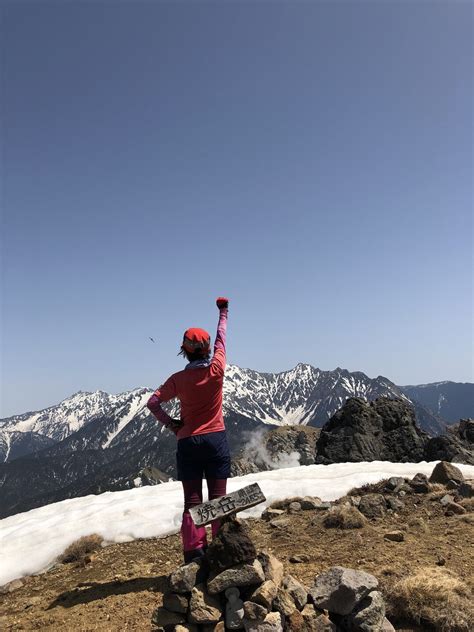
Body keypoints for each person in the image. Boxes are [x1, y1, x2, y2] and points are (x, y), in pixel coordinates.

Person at [147, 297, 230, 562]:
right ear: (206, 350)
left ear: (184, 349)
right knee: (219, 498)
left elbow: (153, 403)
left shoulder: (178, 380)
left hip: (188, 443)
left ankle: (194, 555)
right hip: (216, 439)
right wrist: (223, 312)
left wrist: (172, 424)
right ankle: (224, 550)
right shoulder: (216, 370)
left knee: (192, 502)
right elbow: (221, 338)